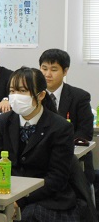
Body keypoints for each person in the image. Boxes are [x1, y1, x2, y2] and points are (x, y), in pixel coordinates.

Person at [0, 67, 81, 222]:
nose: (15, 97)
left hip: (48, 198)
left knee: (30, 219)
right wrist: (8, 197)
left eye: (22, 91)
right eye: (12, 90)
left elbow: (57, 178)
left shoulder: (60, 127)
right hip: (9, 194)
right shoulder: (3, 122)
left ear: (40, 95)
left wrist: (20, 200)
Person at [39, 48, 95, 184]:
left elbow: (85, 133)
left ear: (65, 71)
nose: (47, 74)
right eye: (44, 68)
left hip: (73, 161)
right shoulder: (35, 96)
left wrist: (58, 145)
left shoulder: (79, 97)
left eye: (53, 69)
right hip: (40, 161)